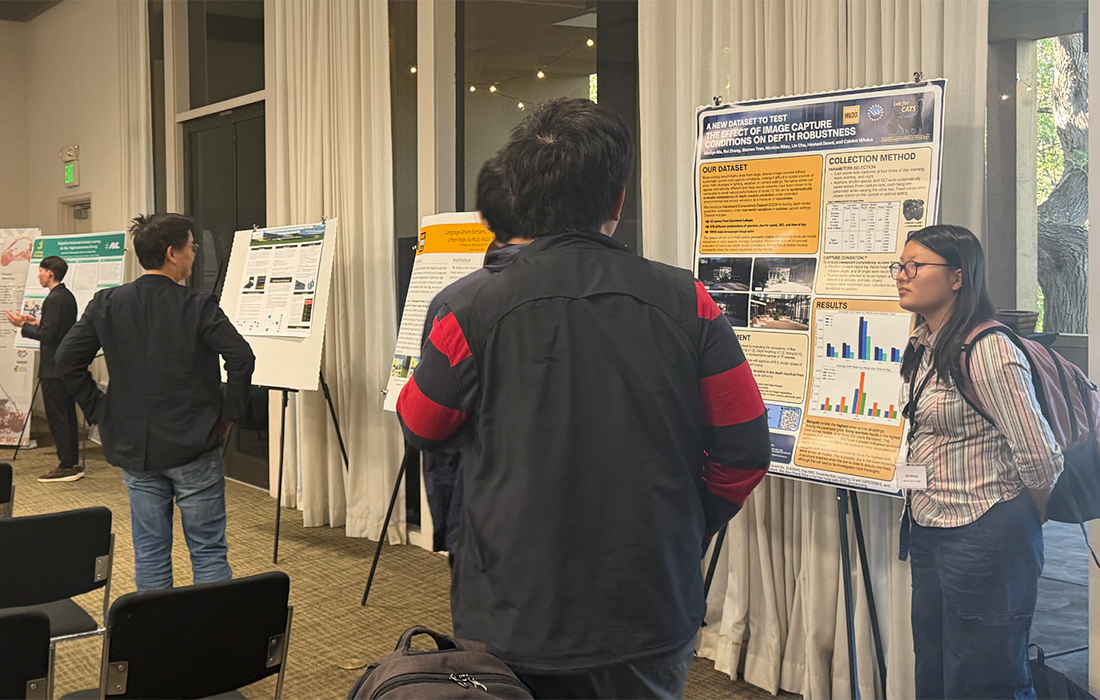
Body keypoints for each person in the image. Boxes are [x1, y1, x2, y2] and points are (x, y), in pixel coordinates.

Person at [397, 97, 772, 700]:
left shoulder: (467, 309)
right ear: (618, 200)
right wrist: (687, 523)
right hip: (649, 600)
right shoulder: (691, 302)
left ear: (520, 199)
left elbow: (420, 424)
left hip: (511, 606)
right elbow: (745, 450)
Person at [894, 224, 1063, 700]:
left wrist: (1034, 510)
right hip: (931, 523)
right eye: (899, 266)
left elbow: (1039, 453)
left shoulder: (988, 348)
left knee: (988, 676)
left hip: (985, 530)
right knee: (936, 661)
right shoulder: (925, 342)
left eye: (915, 266)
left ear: (958, 277)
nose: (902, 276)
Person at [56, 213, 255, 591]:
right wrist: (230, 413)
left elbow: (66, 360)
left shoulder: (107, 302)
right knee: (208, 551)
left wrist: (100, 409)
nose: (194, 253)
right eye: (191, 246)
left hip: (136, 447)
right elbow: (241, 357)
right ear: (172, 254)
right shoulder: (197, 304)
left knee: (149, 552)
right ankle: (215, 628)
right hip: (194, 443)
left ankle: (157, 629)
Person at [420, 156, 532, 554]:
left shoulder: (457, 304)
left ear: (482, 219)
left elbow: (423, 422)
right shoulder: (596, 292)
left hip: (480, 509)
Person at [6, 256, 80, 482]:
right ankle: (71, 461)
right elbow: (57, 327)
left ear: (50, 273)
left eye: (40, 271)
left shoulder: (54, 299)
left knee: (58, 417)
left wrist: (22, 326)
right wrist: (36, 321)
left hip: (53, 368)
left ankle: (67, 465)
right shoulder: (66, 296)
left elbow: (48, 335)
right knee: (67, 415)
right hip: (65, 366)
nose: (38, 275)